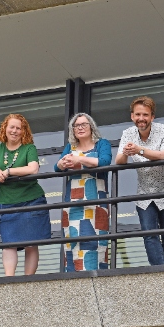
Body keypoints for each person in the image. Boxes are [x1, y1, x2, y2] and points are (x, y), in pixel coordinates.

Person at [0, 114, 50, 276]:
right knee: (9, 243)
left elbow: (33, 168)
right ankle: (9, 279)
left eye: (19, 128)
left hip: (31, 200)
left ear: (23, 131)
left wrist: (9, 171)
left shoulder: (29, 148)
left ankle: (28, 279)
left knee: (31, 243)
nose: (14, 131)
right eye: (11, 127)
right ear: (4, 128)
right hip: (6, 202)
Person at [116, 96, 164, 265]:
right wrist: (126, 152)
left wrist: (139, 150)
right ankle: (159, 272)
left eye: (145, 115)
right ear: (132, 116)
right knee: (149, 234)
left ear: (152, 117)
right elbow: (119, 161)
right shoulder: (127, 133)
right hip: (145, 193)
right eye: (137, 114)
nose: (141, 118)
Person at [55, 113, 112, 271]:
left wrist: (79, 160)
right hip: (73, 204)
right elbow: (56, 167)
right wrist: (62, 163)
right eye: (76, 125)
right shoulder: (69, 147)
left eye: (83, 124)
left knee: (96, 241)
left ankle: (95, 276)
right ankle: (74, 278)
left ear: (91, 126)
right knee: (72, 241)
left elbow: (104, 161)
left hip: (95, 202)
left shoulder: (102, 144)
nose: (80, 128)